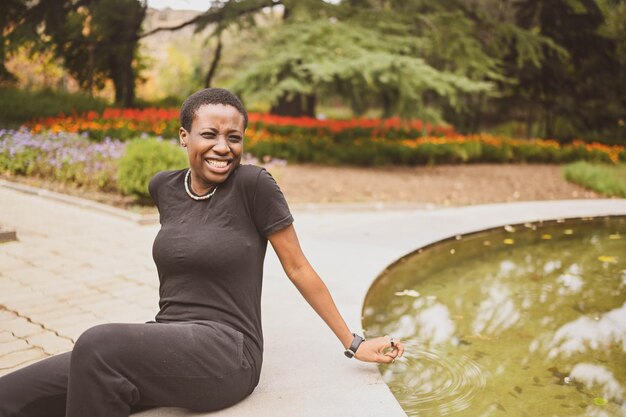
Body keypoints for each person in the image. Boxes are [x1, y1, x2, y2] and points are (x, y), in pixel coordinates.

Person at [0, 88, 404, 417]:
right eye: (209, 134)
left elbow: (298, 267)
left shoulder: (255, 185)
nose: (223, 147)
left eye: (235, 137)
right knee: (12, 394)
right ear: (184, 136)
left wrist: (353, 342)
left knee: (97, 345)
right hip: (170, 337)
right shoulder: (164, 187)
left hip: (230, 353)